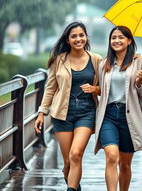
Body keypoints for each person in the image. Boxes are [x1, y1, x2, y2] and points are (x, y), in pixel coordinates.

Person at [34, 21, 102, 191]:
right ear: (68, 40)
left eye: (81, 35)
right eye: (74, 36)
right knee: (67, 163)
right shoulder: (59, 60)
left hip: (86, 113)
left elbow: (106, 88)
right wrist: (42, 113)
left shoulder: (97, 60)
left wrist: (95, 88)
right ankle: (75, 187)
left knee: (76, 155)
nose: (78, 39)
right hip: (62, 114)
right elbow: (50, 88)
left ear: (86, 37)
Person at [94, 26, 142, 191]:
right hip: (108, 115)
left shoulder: (140, 62)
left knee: (125, 164)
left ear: (129, 40)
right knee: (112, 156)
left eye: (121, 37)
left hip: (130, 116)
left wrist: (140, 81)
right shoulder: (105, 64)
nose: (116, 41)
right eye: (113, 38)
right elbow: (101, 91)